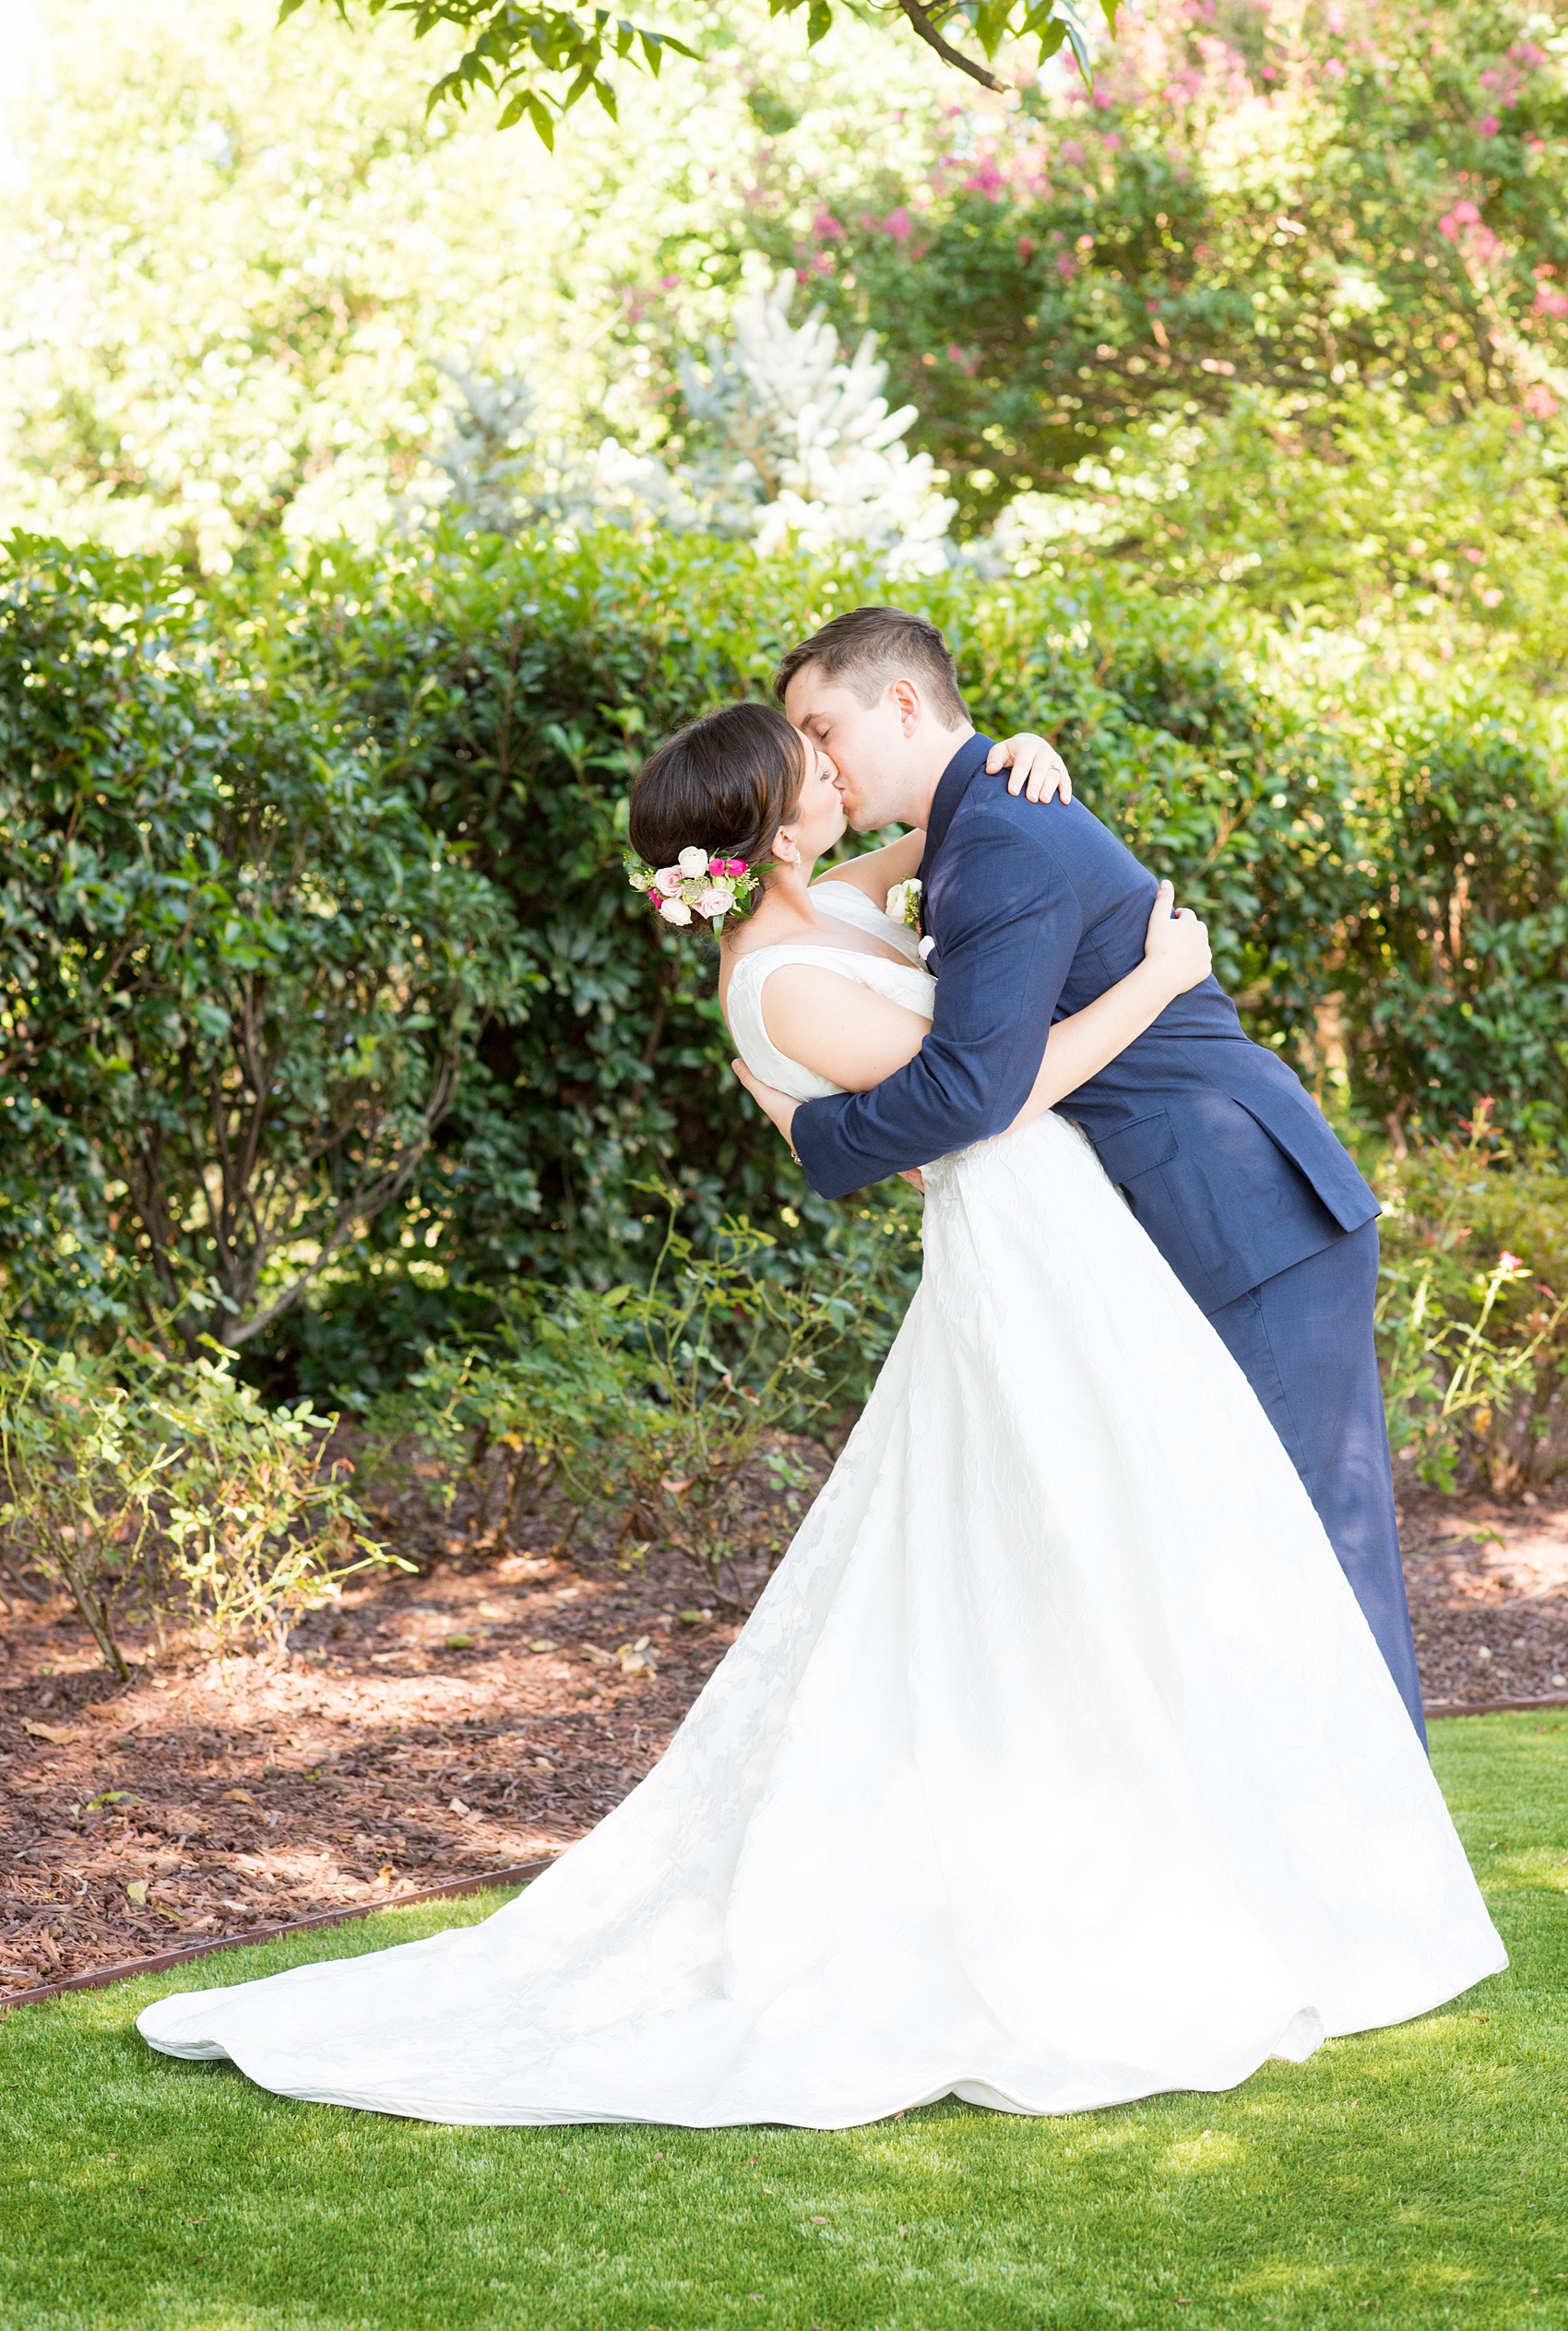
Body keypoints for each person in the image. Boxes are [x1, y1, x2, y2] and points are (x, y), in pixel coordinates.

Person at [137, 697, 1504, 2130]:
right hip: (1030, 1264)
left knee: (1129, 1550)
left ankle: (1238, 1844)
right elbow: (988, 1098)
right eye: (807, 762)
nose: (830, 765)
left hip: (1072, 1253)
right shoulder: (782, 975)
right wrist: (1160, 976)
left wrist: (1022, 761)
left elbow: (938, 830)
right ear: (775, 823)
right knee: (1071, 1557)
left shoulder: (825, 902)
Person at [736, 606, 1427, 1742]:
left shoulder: (998, 834)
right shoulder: (977, 820)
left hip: (1247, 1209)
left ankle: (1383, 1863)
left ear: (900, 703)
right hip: (1171, 1213)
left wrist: (817, 1142)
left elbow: (970, 1090)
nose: (818, 762)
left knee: (1309, 1540)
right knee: (1219, 1543)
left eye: (824, 729)